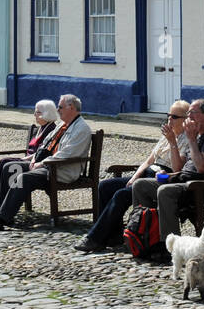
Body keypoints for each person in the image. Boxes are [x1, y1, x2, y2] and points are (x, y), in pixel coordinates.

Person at [73, 100, 192, 253]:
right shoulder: (166, 135)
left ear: (185, 120)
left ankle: (95, 238)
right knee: (105, 186)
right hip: (148, 172)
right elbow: (149, 159)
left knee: (121, 195)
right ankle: (112, 235)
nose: (170, 120)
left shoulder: (186, 139)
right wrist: (135, 175)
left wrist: (172, 141)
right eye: (168, 115)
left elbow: (178, 169)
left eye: (174, 117)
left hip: (162, 178)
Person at [0, 94, 92, 231]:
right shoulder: (62, 125)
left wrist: (42, 163)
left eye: (60, 107)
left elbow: (67, 154)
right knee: (11, 167)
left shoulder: (81, 128)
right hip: (47, 165)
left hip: (61, 171)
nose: (58, 110)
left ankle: (2, 219)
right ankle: (0, 212)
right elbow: (44, 145)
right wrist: (34, 159)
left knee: (24, 178)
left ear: (71, 108)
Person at [127, 98, 204, 241]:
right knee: (140, 185)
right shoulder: (197, 136)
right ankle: (147, 237)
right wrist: (169, 175)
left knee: (165, 191)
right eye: (188, 114)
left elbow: (200, 168)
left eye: (193, 113)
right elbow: (187, 170)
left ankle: (170, 244)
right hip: (187, 183)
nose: (189, 118)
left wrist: (192, 140)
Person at [0, 100, 59, 209]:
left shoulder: (51, 130)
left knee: (7, 164)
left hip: (35, 163)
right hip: (28, 160)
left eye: (37, 112)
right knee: (5, 164)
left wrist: (23, 160)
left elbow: (41, 153)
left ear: (45, 113)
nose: (34, 115)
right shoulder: (41, 128)